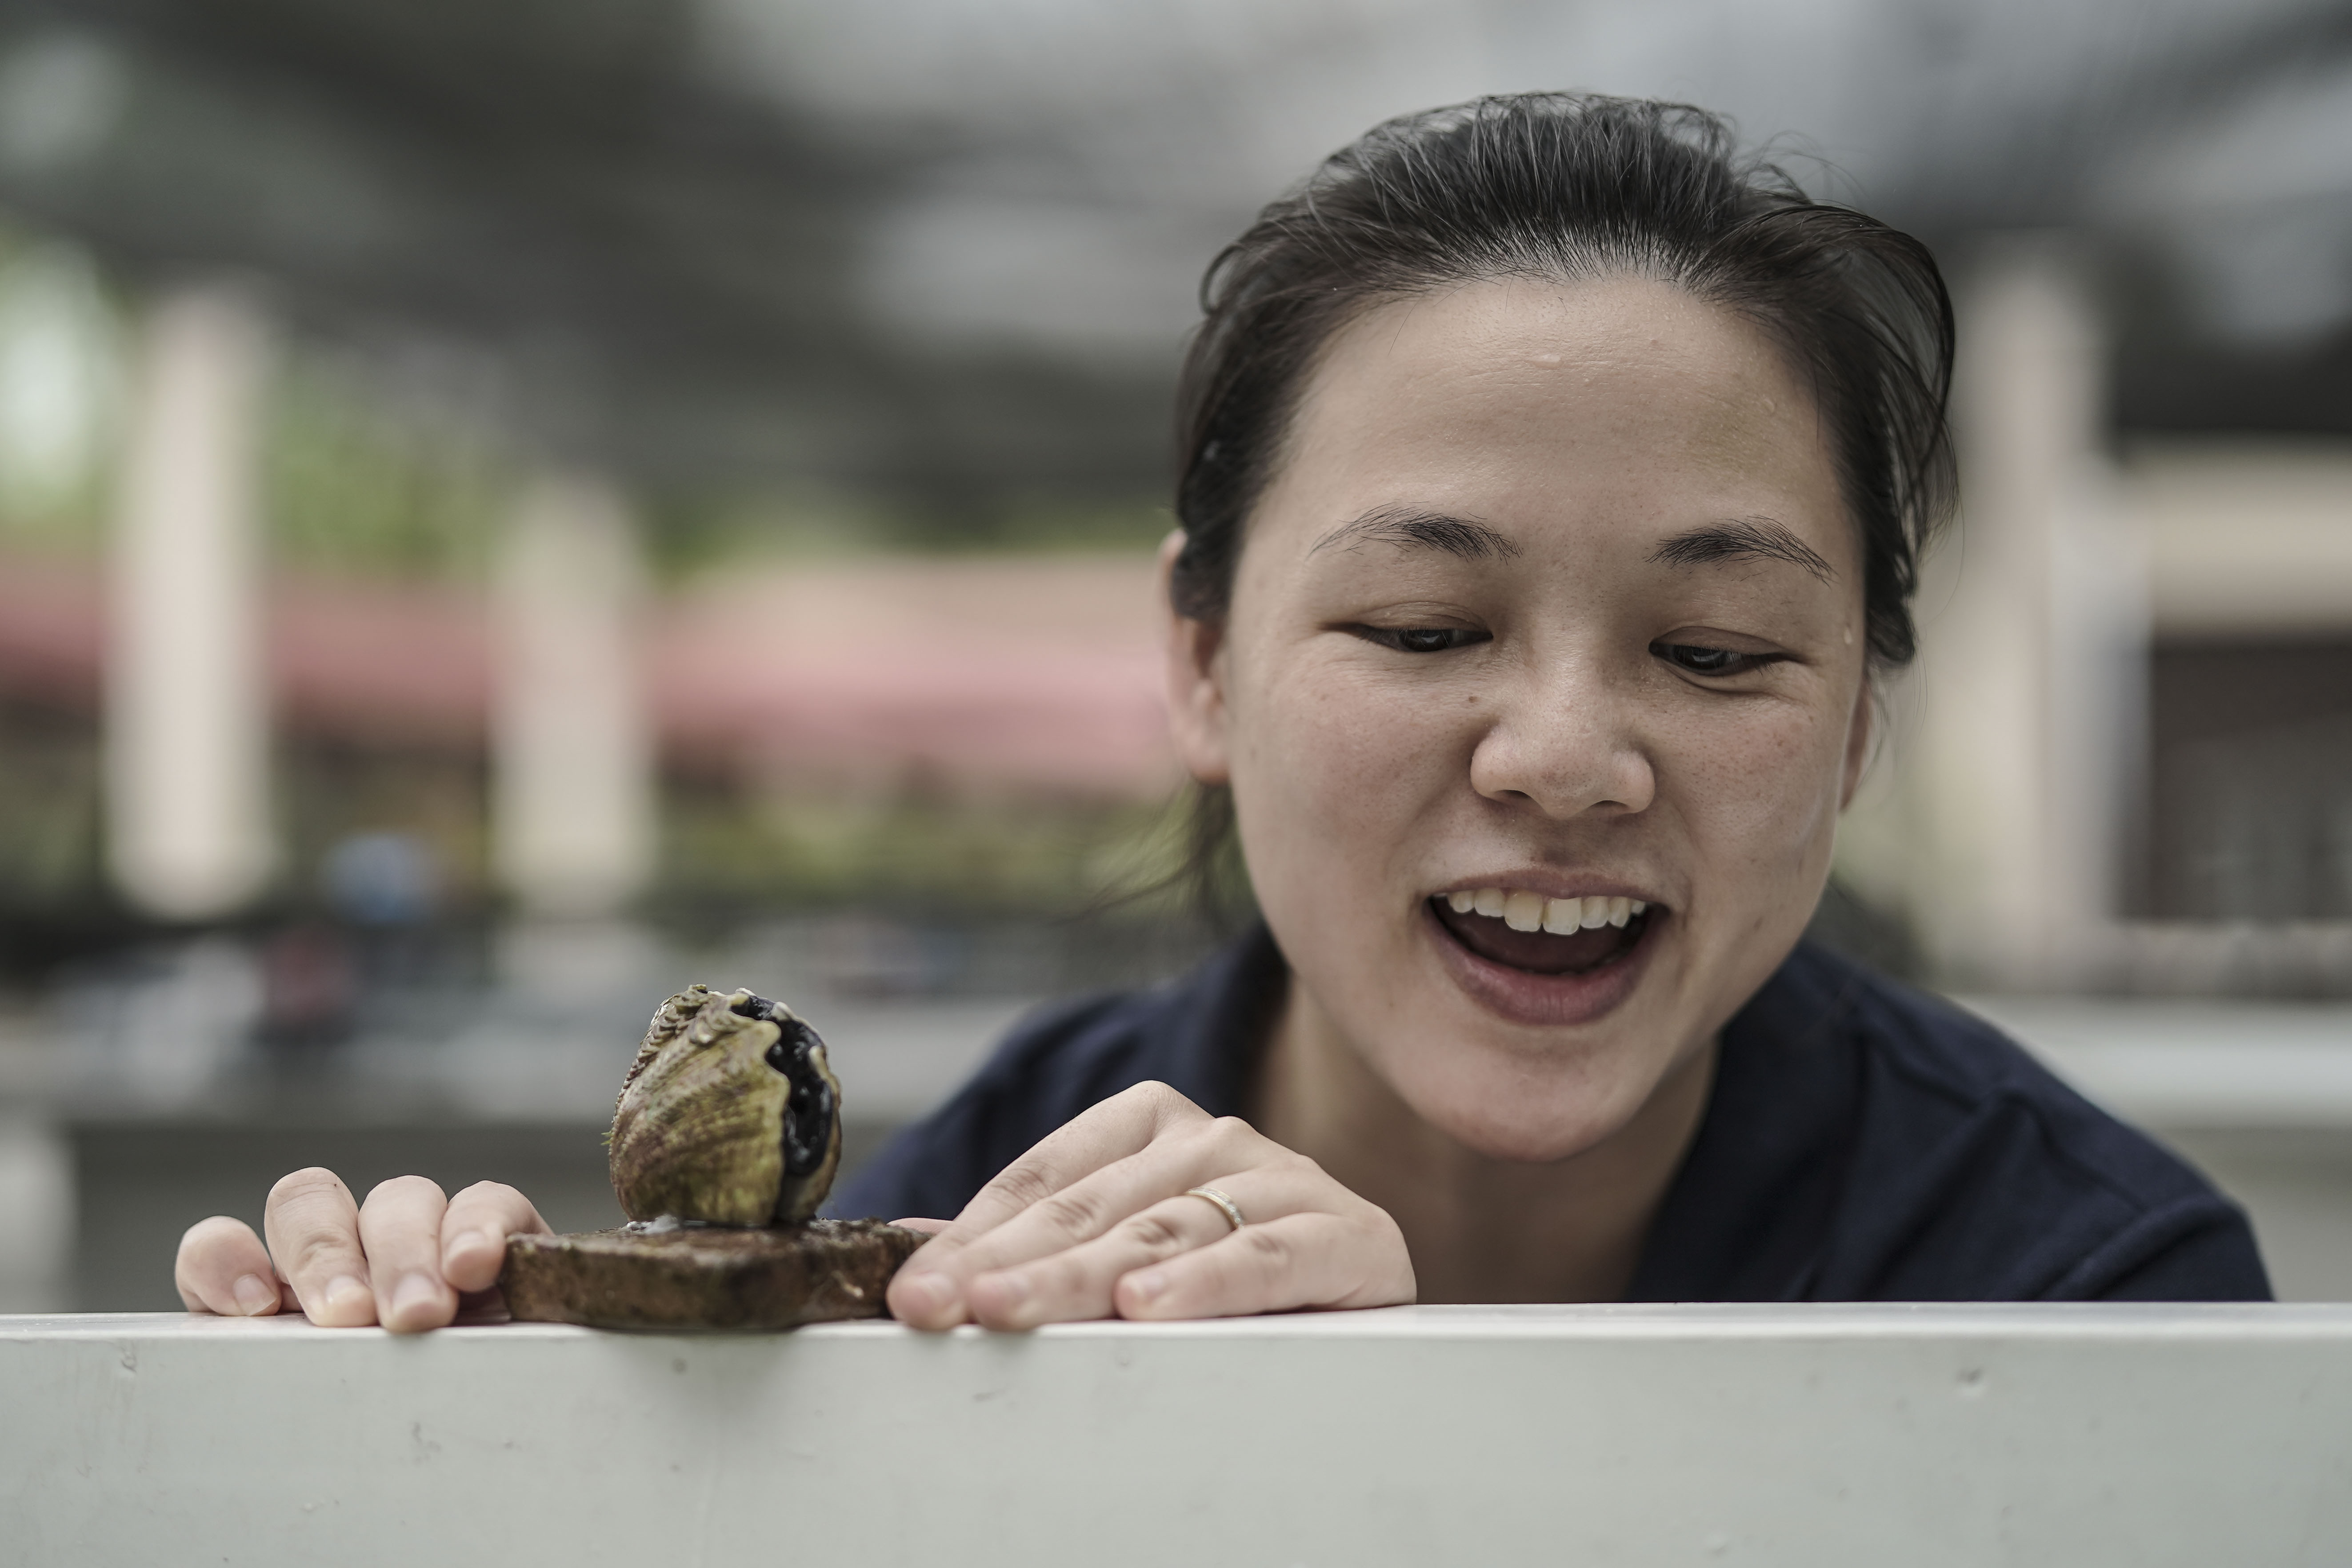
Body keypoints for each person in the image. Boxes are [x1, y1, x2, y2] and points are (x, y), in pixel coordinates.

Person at [175, 93, 2269, 1333]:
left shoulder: (2088, 1291)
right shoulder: (961, 1228)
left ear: (1860, 727)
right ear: (1197, 661)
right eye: (1430, 626)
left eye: (1717, 654)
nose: (1560, 757)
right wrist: (463, 1398)